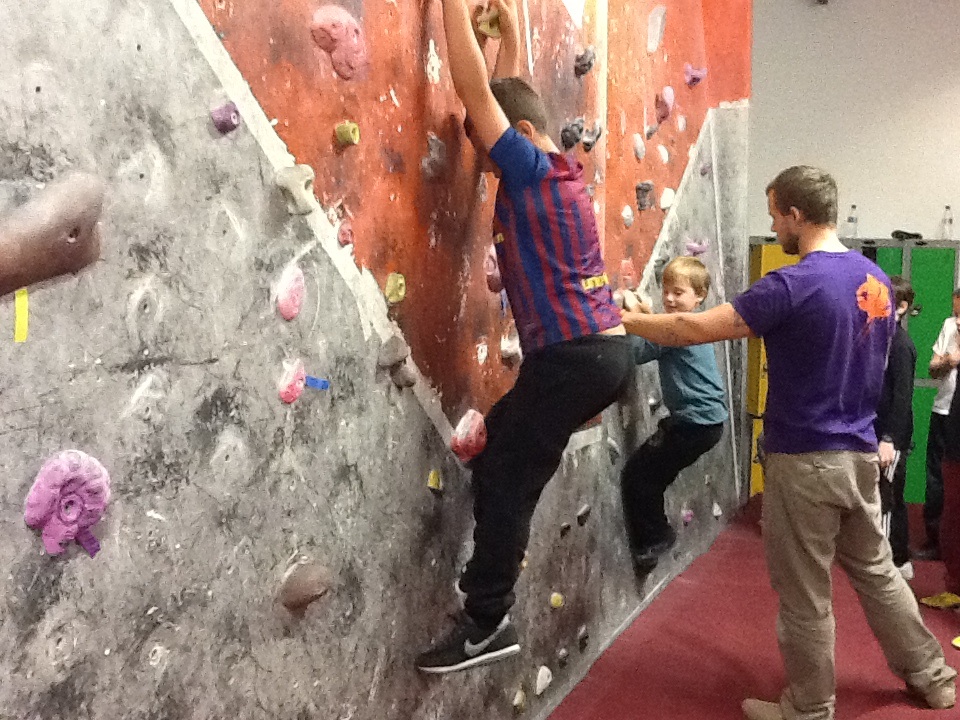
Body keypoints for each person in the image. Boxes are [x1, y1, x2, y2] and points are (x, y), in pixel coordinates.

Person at [620, 166, 956, 720]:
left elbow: (693, 330)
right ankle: (934, 678)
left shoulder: (792, 283)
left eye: (775, 212)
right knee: (877, 573)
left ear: (796, 215)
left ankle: (807, 706)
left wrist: (627, 320)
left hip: (805, 460)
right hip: (859, 454)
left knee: (804, 592)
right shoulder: (872, 278)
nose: (774, 223)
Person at [416, 0, 633, 674]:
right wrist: (508, 39)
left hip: (572, 359)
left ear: (515, 135)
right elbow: (505, 97)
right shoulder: (556, 171)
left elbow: (475, 90)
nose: (481, 161)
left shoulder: (530, 171)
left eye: (484, 146)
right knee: (500, 463)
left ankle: (488, 621)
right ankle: (491, 581)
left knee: (508, 479)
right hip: (591, 354)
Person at [621, 257, 727, 571]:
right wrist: (646, 317)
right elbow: (655, 339)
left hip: (695, 424)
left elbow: (638, 352)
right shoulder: (690, 324)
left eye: (678, 293)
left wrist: (631, 317)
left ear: (699, 297)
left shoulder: (677, 330)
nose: (669, 298)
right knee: (651, 474)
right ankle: (656, 536)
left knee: (639, 475)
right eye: (666, 291)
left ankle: (656, 538)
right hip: (703, 422)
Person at [874, 275, 917, 579]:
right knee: (879, 494)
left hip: (891, 437)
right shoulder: (882, 340)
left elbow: (902, 397)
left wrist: (889, 439)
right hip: (875, 431)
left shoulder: (901, 346)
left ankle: (895, 560)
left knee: (888, 497)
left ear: (901, 307)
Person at [918, 288, 960, 559]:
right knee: (936, 476)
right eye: (956, 313)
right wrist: (949, 359)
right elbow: (933, 368)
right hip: (943, 410)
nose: (957, 320)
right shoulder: (948, 327)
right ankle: (936, 540)